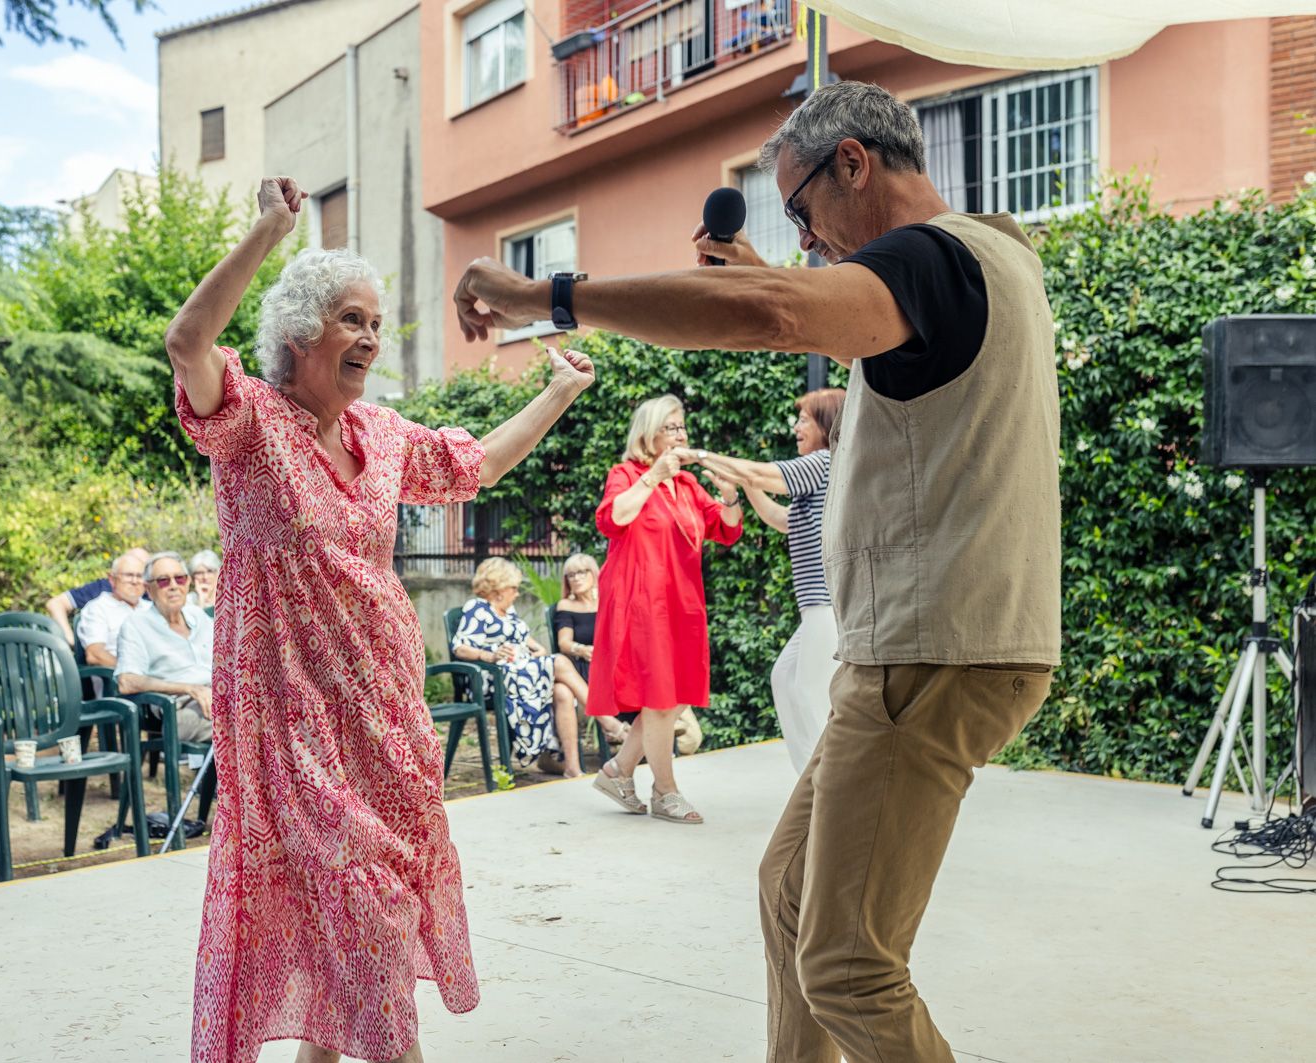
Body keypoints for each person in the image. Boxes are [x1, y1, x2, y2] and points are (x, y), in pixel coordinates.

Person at [453, 79, 1060, 1063]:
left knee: (848, 965)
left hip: (928, 647)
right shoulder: (991, 260)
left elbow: (774, 309)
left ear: (853, 161)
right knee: (788, 894)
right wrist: (758, 275)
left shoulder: (929, 262)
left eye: (801, 208)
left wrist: (546, 296)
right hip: (919, 648)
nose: (804, 239)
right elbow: (816, 312)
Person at [165, 175, 595, 1063]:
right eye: (350, 319)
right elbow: (186, 339)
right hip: (291, 718)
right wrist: (267, 231)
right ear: (299, 331)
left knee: (367, 927)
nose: (369, 336)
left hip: (385, 709)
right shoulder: (248, 423)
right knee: (367, 903)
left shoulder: (386, 436)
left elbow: (475, 464)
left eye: (373, 319)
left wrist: (559, 393)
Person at [585, 395, 743, 825]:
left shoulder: (689, 486)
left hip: (680, 601)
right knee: (659, 698)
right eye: (671, 427)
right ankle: (664, 792)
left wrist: (730, 498)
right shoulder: (626, 474)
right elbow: (612, 518)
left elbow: (725, 531)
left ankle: (618, 771)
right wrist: (653, 477)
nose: (681, 434)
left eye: (682, 427)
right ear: (649, 434)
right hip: (640, 599)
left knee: (670, 700)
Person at [689, 387, 845, 773]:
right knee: (785, 678)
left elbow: (760, 472)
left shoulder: (824, 462)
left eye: (804, 419)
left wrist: (699, 456)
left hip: (827, 607)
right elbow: (781, 519)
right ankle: (809, 779)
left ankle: (825, 781)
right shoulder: (821, 474)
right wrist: (742, 486)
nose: (796, 427)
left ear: (825, 424)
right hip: (817, 608)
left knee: (811, 692)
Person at [452, 557, 583, 776]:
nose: (518, 593)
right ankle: (607, 720)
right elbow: (460, 647)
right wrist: (490, 655)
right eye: (514, 587)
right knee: (559, 661)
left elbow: (533, 645)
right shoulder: (478, 609)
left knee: (562, 691)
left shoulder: (509, 613)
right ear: (499, 589)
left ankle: (571, 766)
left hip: (520, 674)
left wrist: (537, 652)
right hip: (492, 679)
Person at [114, 551, 214, 744]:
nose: (174, 586)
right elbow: (127, 681)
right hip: (178, 709)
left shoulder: (199, 616)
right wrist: (189, 688)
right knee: (246, 725)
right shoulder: (136, 625)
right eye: (163, 581)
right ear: (148, 589)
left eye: (180, 578)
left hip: (219, 698)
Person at [552, 553, 631, 745]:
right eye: (571, 575)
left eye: (581, 572)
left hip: (614, 662)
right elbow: (564, 643)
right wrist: (582, 649)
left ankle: (648, 732)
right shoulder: (566, 605)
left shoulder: (609, 600)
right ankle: (623, 732)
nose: (576, 578)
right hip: (585, 665)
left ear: (594, 573)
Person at [44, 545, 150, 647]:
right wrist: (70, 641)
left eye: (141, 572)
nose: (135, 580)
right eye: (129, 573)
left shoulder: (151, 594)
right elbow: (56, 604)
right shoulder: (102, 588)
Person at [72, 551, 148, 668]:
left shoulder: (151, 608)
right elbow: (95, 655)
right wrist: (134, 671)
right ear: (112, 579)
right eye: (128, 575)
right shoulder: (98, 609)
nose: (134, 581)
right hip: (117, 680)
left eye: (140, 576)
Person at [187, 549, 220, 617]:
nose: (205, 577)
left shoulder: (227, 598)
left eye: (210, 571)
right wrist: (201, 601)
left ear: (218, 573)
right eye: (199, 573)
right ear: (192, 577)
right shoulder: (188, 601)